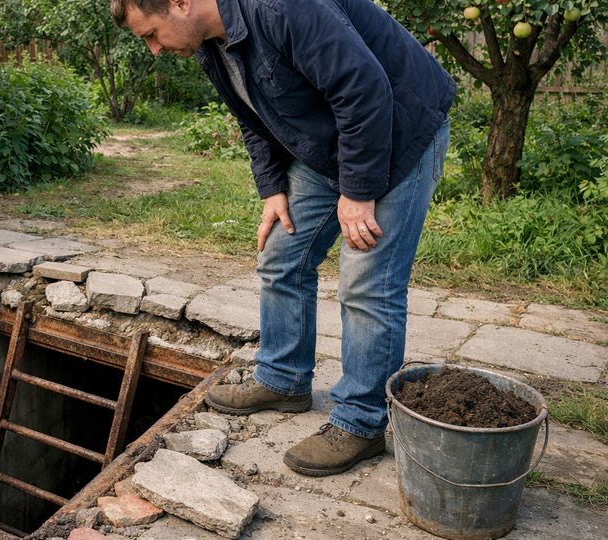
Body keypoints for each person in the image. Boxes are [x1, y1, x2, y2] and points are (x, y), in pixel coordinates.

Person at [110, 0, 456, 476]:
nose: (152, 49)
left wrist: (358, 191)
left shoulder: (282, 8)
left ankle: (360, 422)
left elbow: (364, 88)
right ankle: (284, 378)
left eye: (150, 33)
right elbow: (255, 117)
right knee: (281, 255)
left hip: (398, 129)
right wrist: (273, 187)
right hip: (331, 142)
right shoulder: (212, 43)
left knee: (366, 281)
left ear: (179, 3)